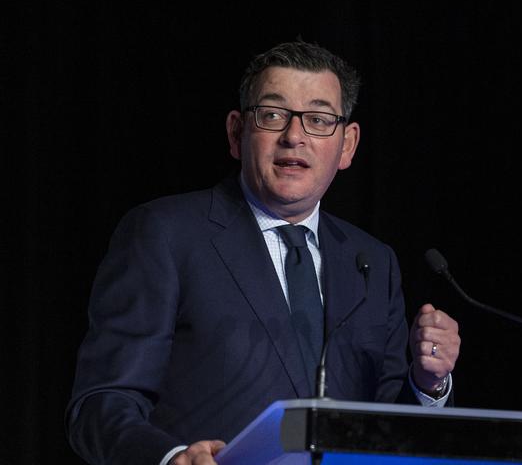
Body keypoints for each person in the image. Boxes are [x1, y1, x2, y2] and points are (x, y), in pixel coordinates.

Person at [65, 41, 461, 465]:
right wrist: (171, 458)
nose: (294, 137)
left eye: (318, 119)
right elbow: (101, 404)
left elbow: (386, 427)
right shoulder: (165, 234)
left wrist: (428, 386)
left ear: (347, 145)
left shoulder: (372, 262)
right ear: (237, 133)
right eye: (272, 115)